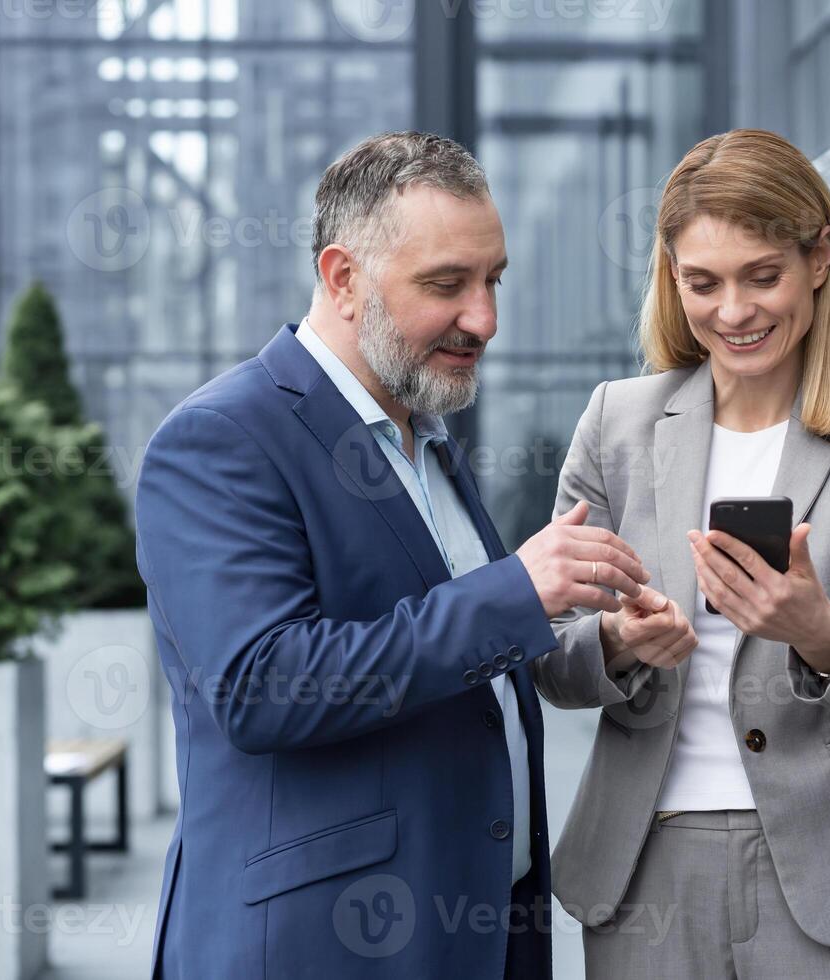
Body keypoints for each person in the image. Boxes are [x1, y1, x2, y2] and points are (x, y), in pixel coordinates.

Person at [135, 131, 650, 978]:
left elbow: (455, 665)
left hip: (471, 934)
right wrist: (517, 591)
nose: (484, 318)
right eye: (446, 284)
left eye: (494, 280)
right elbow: (265, 685)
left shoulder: (426, 438)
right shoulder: (220, 439)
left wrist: (607, 644)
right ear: (344, 279)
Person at [532, 129, 830, 978]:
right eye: (703, 282)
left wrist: (819, 632)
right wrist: (618, 644)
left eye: (762, 276)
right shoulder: (617, 423)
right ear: (672, 279)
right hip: (644, 866)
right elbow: (552, 664)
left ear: (820, 261)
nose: (733, 311)